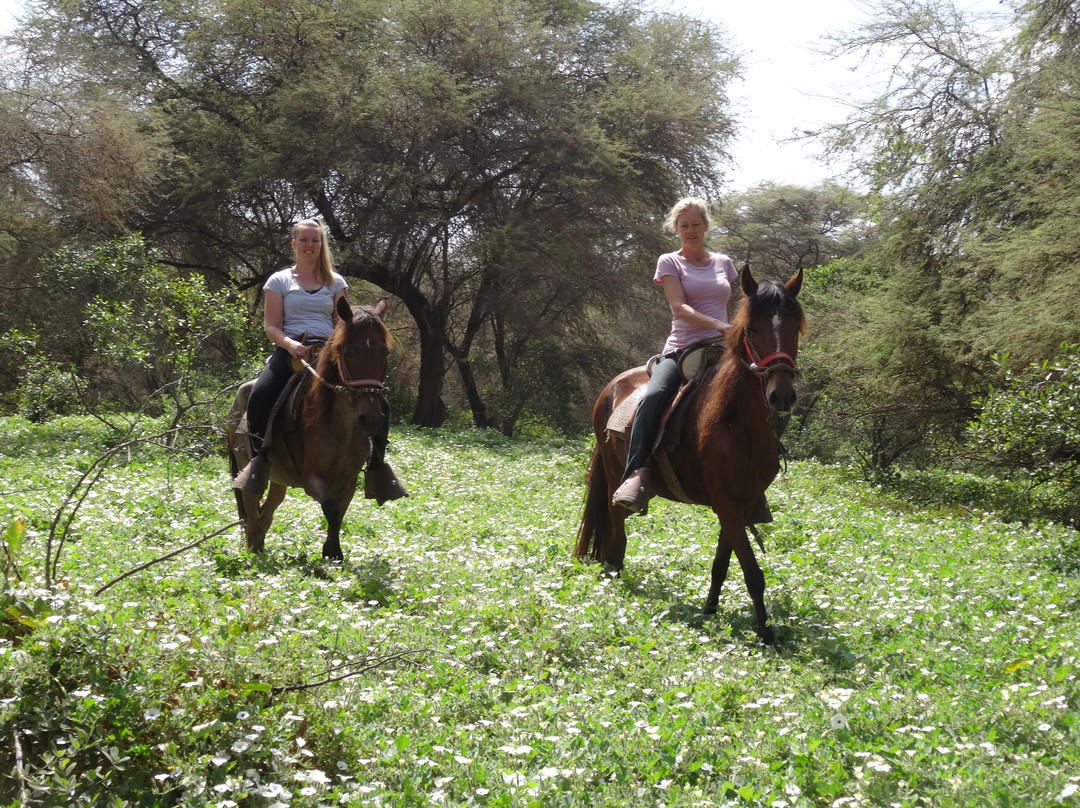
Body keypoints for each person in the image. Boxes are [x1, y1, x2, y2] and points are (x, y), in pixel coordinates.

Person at [232, 218, 407, 503]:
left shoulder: (335, 281)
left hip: (328, 352)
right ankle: (258, 463)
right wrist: (290, 344)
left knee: (379, 402)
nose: (310, 245)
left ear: (321, 244)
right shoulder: (279, 281)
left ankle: (377, 469)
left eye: (315, 240)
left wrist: (338, 344)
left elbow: (342, 321)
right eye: (304, 240)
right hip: (291, 352)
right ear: (294, 244)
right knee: (260, 395)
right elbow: (271, 326)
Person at [611, 198, 739, 512]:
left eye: (696, 224)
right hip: (682, 349)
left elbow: (734, 305)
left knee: (764, 390)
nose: (690, 231)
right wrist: (721, 326)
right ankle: (634, 476)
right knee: (655, 397)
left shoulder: (723, 262)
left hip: (724, 350)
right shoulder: (670, 262)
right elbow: (680, 308)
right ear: (676, 229)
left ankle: (757, 478)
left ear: (706, 226)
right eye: (684, 226)